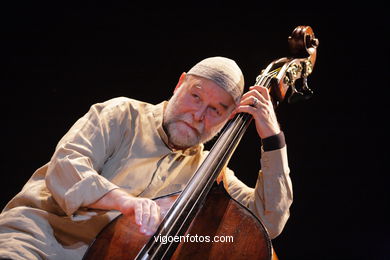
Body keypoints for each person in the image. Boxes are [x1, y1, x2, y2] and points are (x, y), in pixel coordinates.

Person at [0, 56, 292, 260]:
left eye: (215, 110)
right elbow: (67, 165)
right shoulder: (121, 114)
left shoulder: (209, 174)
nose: (198, 115)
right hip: (37, 243)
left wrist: (272, 139)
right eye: (196, 96)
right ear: (180, 84)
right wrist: (125, 202)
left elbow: (268, 221)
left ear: (228, 118)